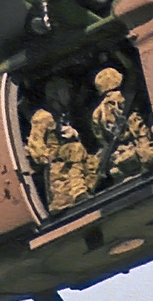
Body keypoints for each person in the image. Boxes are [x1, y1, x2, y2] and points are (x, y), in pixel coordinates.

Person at [26, 79, 99, 211]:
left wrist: (75, 135)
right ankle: (78, 193)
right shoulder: (43, 116)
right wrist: (57, 155)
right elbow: (35, 148)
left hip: (70, 169)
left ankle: (85, 190)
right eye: (65, 90)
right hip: (59, 175)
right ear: (56, 94)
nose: (69, 93)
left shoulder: (61, 115)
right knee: (74, 149)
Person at [90, 67, 153, 181]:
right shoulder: (124, 99)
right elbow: (138, 128)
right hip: (137, 157)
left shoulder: (97, 113)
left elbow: (101, 138)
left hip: (120, 162)